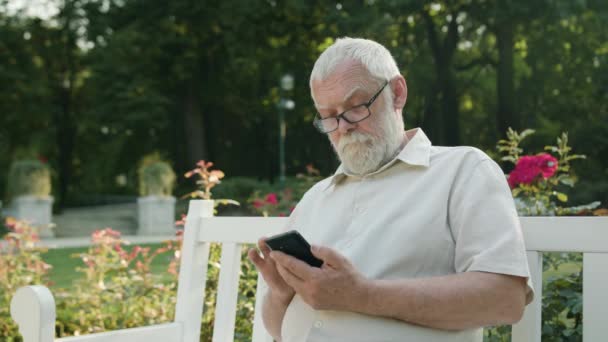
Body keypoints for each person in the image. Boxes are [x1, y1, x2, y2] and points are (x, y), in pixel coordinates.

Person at [247, 37, 533, 342]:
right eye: (329, 116)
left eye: (355, 107)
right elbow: (276, 330)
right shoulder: (315, 198)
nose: (343, 127)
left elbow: (505, 299)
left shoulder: (462, 170)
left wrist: (362, 295)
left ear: (397, 93)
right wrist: (280, 294)